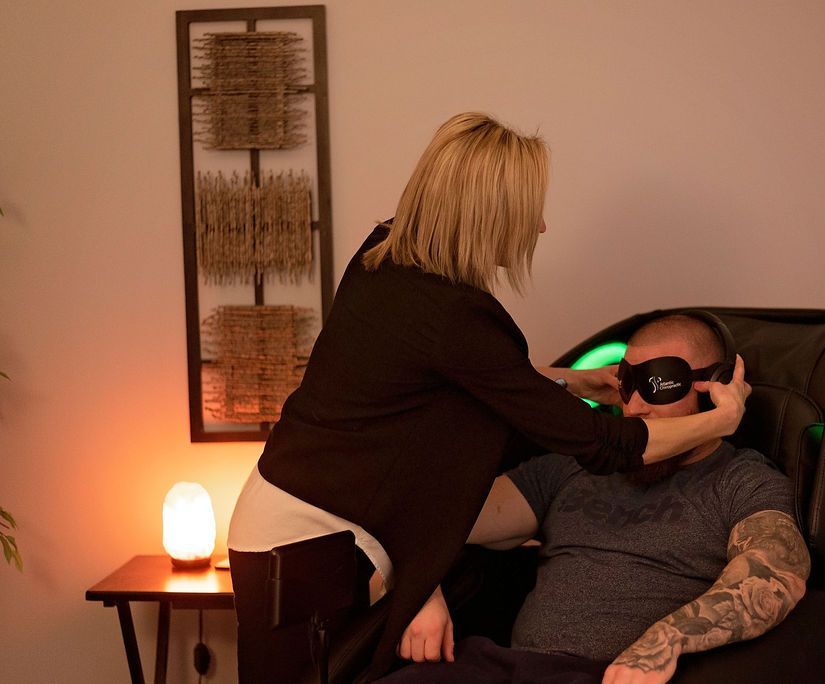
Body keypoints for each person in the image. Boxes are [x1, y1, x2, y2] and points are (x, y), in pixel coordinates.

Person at [226, 113, 752, 683]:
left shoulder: (387, 257)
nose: (542, 227)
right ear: (493, 213)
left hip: (291, 516)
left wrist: (571, 382)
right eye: (532, 212)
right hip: (311, 539)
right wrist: (721, 421)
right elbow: (606, 444)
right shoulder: (457, 316)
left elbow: (445, 387)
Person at [385, 314, 810, 684]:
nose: (636, 406)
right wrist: (425, 586)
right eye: (629, 385)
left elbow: (777, 575)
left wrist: (664, 642)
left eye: (659, 386)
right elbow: (435, 509)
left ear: (715, 387)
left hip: (605, 675)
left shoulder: (741, 480)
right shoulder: (574, 467)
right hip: (498, 666)